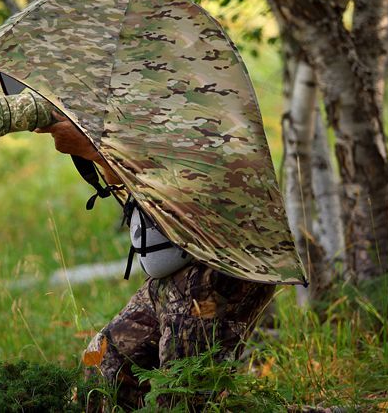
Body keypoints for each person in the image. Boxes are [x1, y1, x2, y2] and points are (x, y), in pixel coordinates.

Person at [37, 113, 277, 409]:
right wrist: (90, 148)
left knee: (179, 400)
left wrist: (89, 148)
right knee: (102, 372)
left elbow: (176, 178)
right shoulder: (135, 104)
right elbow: (122, 179)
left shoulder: (191, 107)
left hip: (213, 271)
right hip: (172, 274)